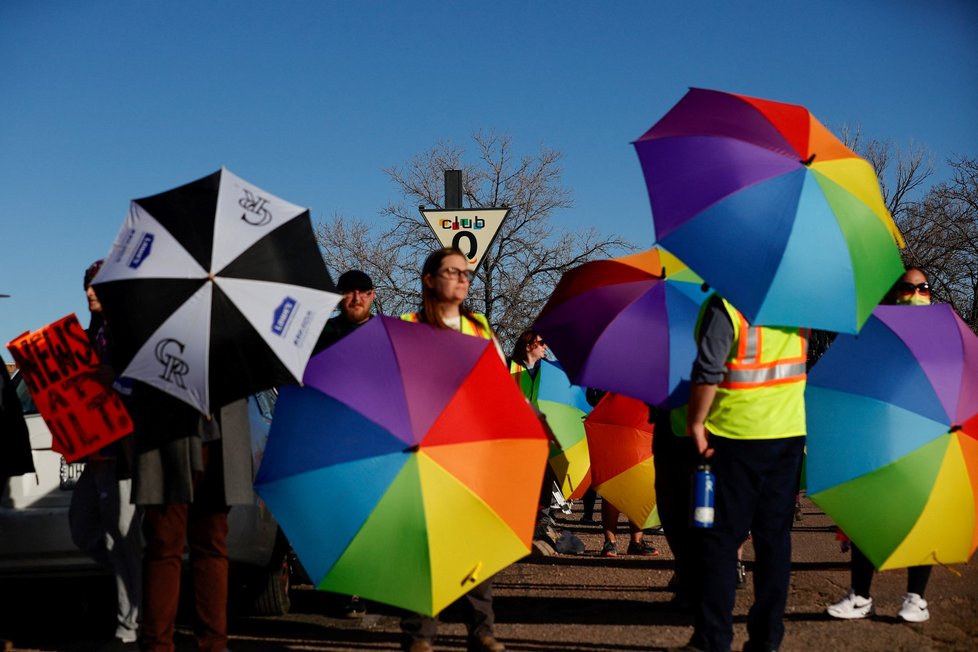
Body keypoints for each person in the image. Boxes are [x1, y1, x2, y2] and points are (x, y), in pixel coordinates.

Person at [678, 292, 808, 652]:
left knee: (720, 540)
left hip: (736, 435)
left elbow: (708, 369)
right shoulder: (800, 304)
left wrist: (696, 423)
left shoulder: (727, 306)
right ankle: (767, 639)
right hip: (788, 434)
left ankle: (713, 638)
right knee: (774, 540)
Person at [399, 247, 505, 652]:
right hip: (421, 449)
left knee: (475, 544)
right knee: (423, 546)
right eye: (451, 272)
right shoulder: (407, 327)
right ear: (429, 279)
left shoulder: (479, 328)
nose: (461, 279)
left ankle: (482, 631)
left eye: (465, 273)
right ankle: (419, 633)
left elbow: (499, 390)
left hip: (471, 449)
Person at [826, 267, 935, 623]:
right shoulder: (874, 335)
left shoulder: (942, 338)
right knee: (866, 518)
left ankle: (916, 597)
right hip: (877, 442)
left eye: (923, 288)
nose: (916, 293)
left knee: (920, 521)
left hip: (924, 444)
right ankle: (860, 595)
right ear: (893, 294)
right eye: (908, 287)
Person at [131, 388, 255, 651]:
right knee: (164, 543)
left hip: (218, 432)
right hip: (166, 430)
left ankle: (213, 642)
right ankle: (159, 643)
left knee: (209, 543)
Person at [68, 259, 143, 651]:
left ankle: (129, 626)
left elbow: (144, 382)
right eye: (86, 286)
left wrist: (114, 378)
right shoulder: (88, 336)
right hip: (94, 452)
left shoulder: (131, 334)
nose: (89, 292)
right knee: (83, 529)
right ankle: (139, 582)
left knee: (122, 540)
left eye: (97, 286)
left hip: (123, 454)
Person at [315, 269, 377, 618]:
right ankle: (341, 589)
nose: (355, 298)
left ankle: (365, 588)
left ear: (372, 294)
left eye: (362, 292)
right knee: (338, 519)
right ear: (339, 297)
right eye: (348, 292)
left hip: (375, 438)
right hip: (331, 438)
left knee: (369, 519)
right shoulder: (322, 334)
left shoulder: (387, 334)